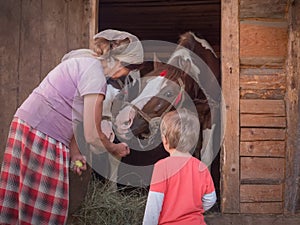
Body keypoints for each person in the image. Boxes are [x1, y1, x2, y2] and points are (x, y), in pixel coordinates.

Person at [0, 29, 143, 225]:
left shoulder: (87, 63)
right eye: (128, 70)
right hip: (42, 133)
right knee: (45, 210)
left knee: (23, 203)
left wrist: (75, 153)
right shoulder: (95, 76)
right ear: (121, 63)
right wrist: (114, 148)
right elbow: (92, 136)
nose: (124, 75)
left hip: (34, 128)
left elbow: (76, 117)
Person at [142, 108, 216, 225]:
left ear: (165, 140)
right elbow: (211, 199)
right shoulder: (201, 167)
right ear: (193, 141)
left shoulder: (162, 167)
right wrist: (193, 208)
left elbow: (154, 206)